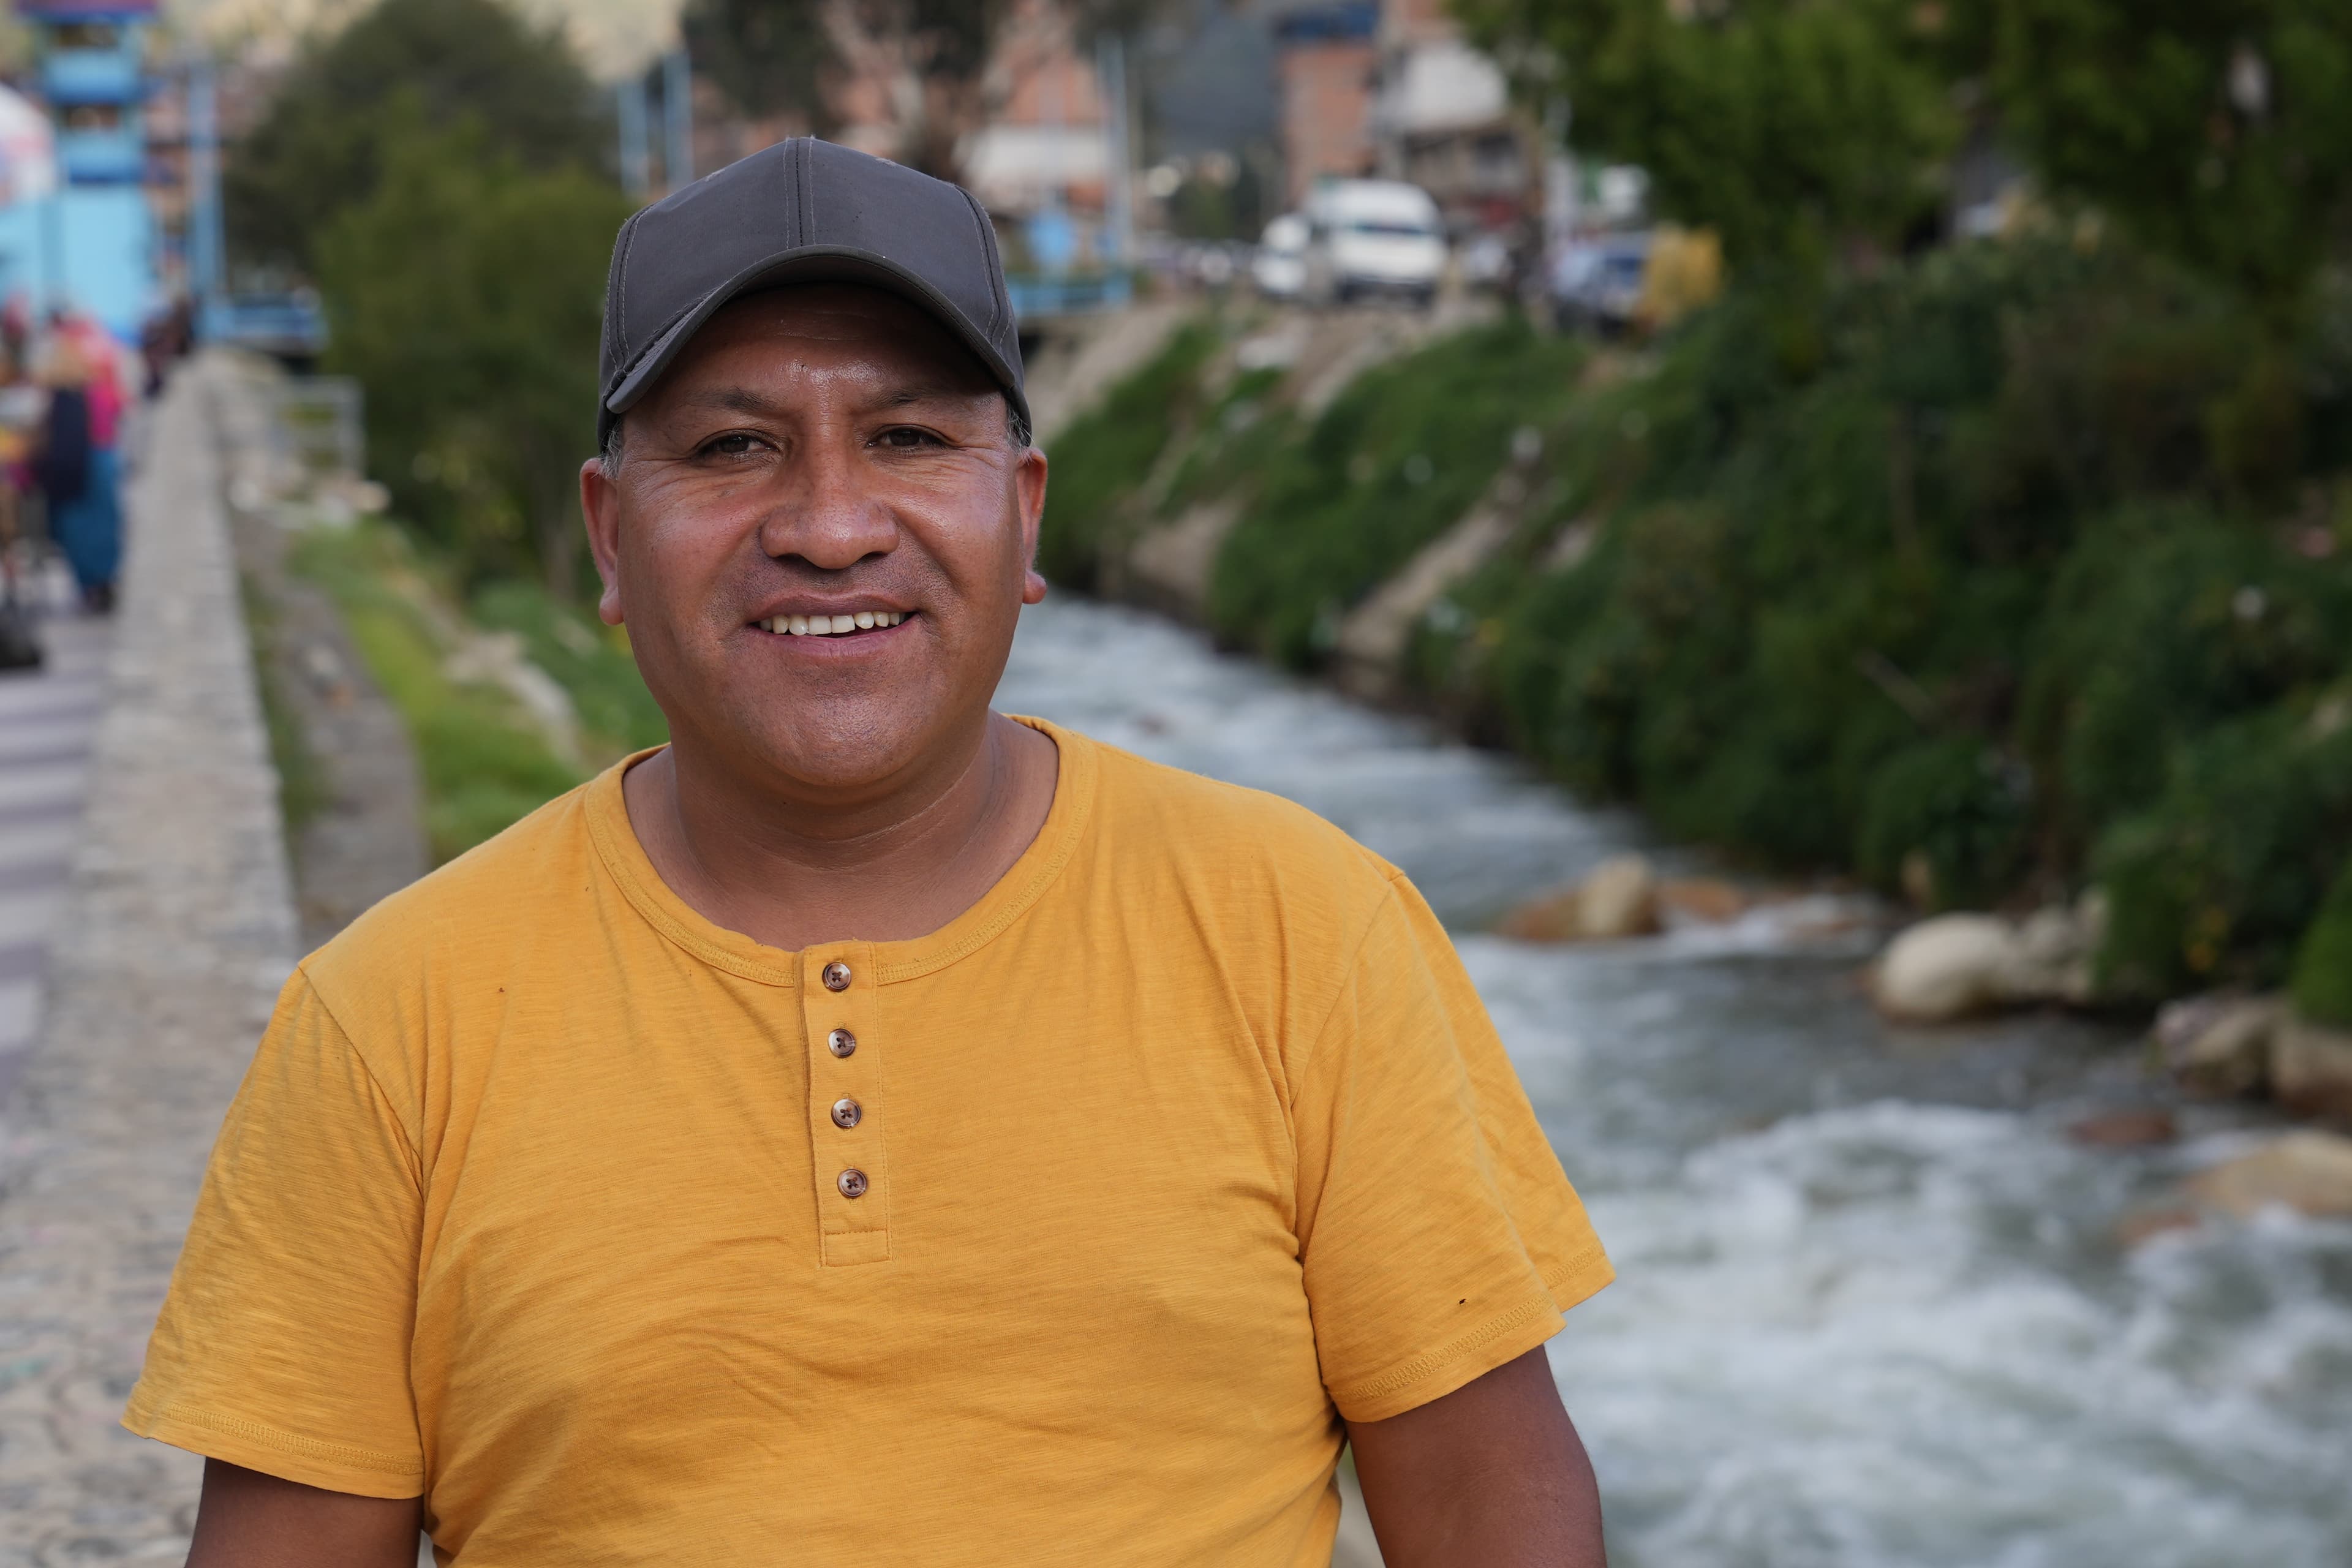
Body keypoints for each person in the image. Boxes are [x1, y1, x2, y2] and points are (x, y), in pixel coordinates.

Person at [124, 139, 1614, 1566]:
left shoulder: (1302, 928)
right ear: (608, 539)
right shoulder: (389, 1021)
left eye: (906, 436)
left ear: (1022, 513)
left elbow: (1490, 1497)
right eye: (731, 447)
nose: (831, 525)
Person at [32, 336, 118, 613]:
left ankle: (93, 587)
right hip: (101, 463)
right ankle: (102, 584)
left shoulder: (64, 398)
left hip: (81, 470)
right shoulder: (92, 391)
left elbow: (63, 447)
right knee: (101, 531)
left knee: (80, 532)